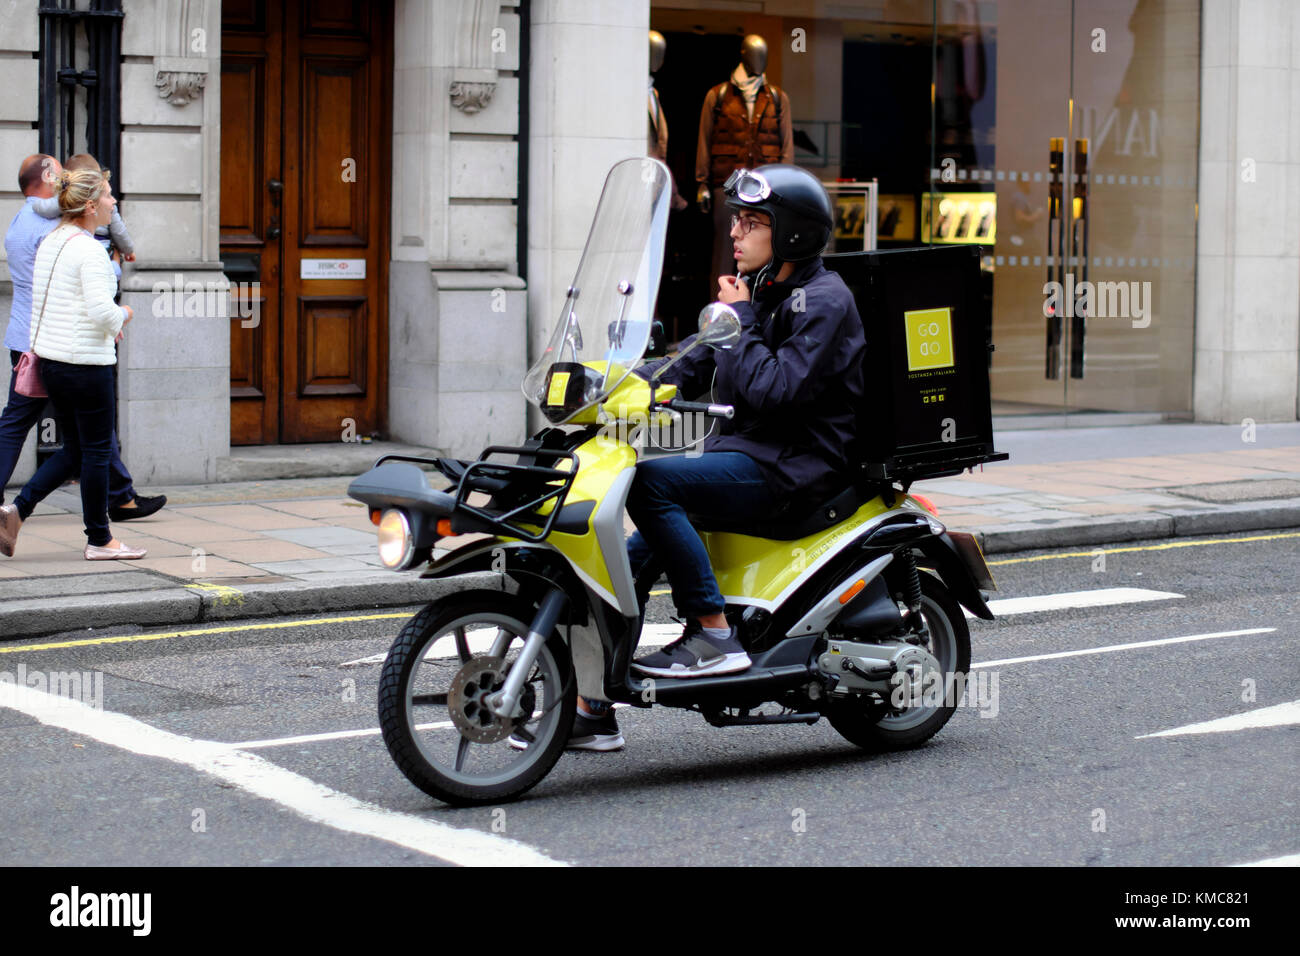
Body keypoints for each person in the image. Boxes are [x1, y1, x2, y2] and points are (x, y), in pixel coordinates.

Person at [557, 164, 866, 751]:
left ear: (792, 233)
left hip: (797, 467)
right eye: (738, 221)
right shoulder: (758, 296)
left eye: (752, 223)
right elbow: (687, 364)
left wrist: (742, 320)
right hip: (747, 456)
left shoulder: (824, 300)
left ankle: (714, 634)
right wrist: (612, 386)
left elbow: (777, 389)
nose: (735, 233)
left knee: (650, 486)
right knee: (623, 562)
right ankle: (591, 705)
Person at [0, 154, 164, 528]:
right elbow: (100, 305)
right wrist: (122, 308)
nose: (113, 202)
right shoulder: (75, 242)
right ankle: (103, 528)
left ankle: (23, 511)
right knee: (90, 444)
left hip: (39, 346)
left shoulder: (28, 227)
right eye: (107, 196)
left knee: (69, 441)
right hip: (72, 353)